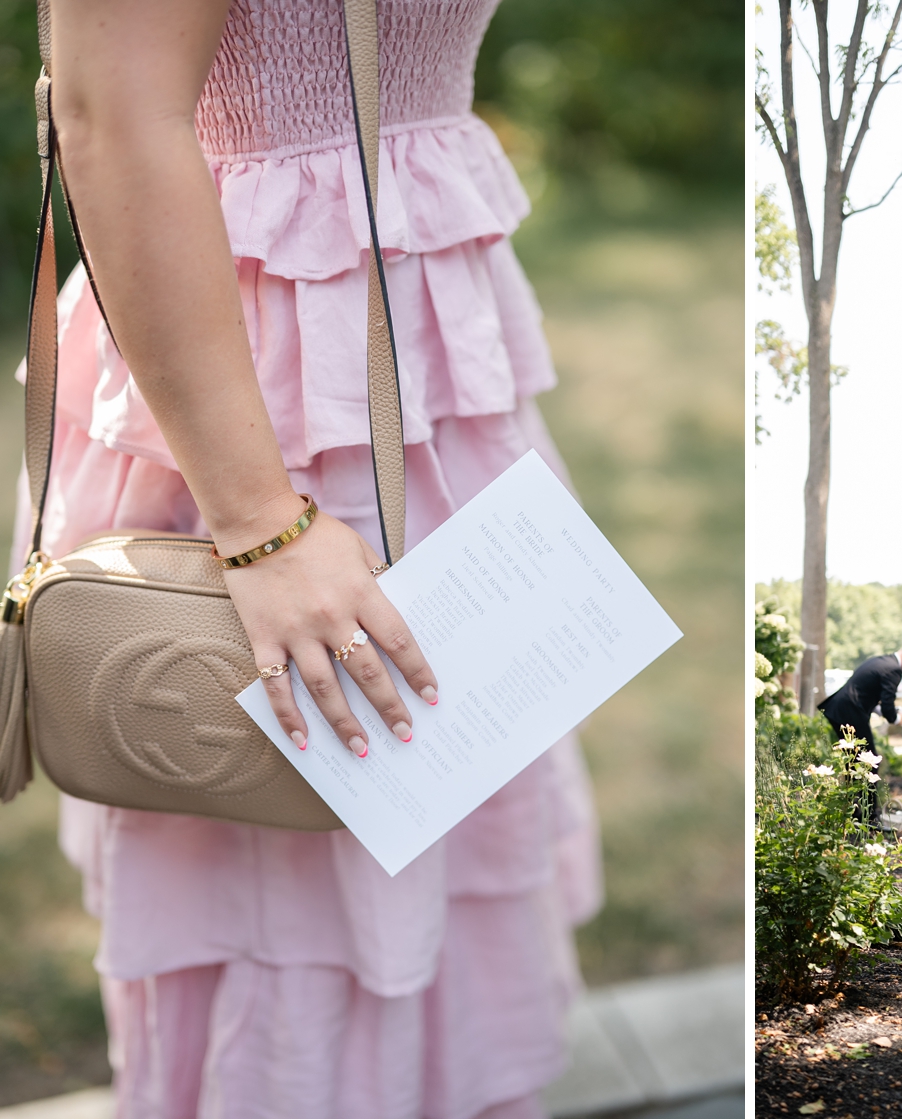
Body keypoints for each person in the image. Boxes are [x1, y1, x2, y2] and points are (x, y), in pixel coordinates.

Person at [32, 4, 599, 1115]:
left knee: (436, 818)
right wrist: (260, 523)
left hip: (427, 349)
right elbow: (108, 111)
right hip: (270, 382)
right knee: (294, 870)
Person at [820, 644, 902, 752]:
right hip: (852, 711)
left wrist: (895, 710)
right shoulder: (894, 669)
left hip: (840, 708)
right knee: (868, 759)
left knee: (853, 757)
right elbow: (887, 703)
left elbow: (869, 695)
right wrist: (897, 719)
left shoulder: (879, 660)